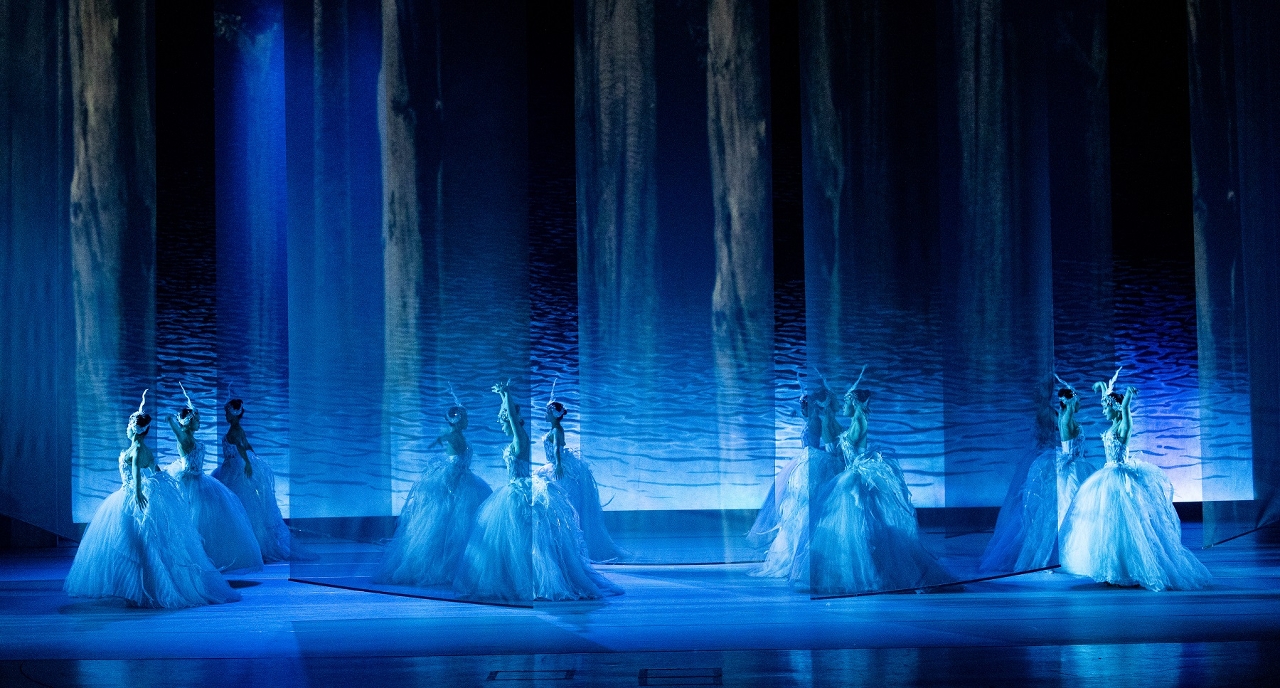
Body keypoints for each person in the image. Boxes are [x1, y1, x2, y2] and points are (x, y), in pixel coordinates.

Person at [64, 391, 241, 608]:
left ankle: (142, 589)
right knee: (130, 543)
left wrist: (139, 492)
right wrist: (160, 481)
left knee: (135, 543)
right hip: (127, 496)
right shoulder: (138, 448)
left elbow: (138, 474)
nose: (127, 429)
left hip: (131, 496)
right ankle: (131, 588)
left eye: (130, 425)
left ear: (135, 429)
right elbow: (154, 469)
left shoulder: (139, 449)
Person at [454, 381, 621, 602]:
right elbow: (508, 416)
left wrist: (507, 394)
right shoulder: (518, 437)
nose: (502, 426)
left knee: (522, 537)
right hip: (514, 488)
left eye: (504, 422)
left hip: (519, 489)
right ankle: (513, 577)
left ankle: (528, 580)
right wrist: (502, 397)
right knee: (513, 539)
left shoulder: (520, 437)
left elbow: (511, 417)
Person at [1059, 369, 1212, 591]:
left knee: (1124, 523)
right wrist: (1102, 388)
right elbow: (1109, 402)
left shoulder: (1124, 425)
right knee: (1109, 524)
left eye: (1106, 408)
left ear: (1116, 408)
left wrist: (1128, 398)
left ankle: (1128, 569)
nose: (1103, 411)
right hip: (1107, 476)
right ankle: (1113, 567)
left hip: (1120, 477)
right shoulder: (1113, 424)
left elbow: (1124, 411)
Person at [802, 370, 951, 595]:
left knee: (859, 520)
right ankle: (861, 566)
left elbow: (846, 444)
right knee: (855, 522)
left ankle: (870, 570)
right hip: (852, 472)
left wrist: (831, 425)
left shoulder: (859, 421)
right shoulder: (856, 420)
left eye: (847, 403)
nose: (844, 406)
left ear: (854, 404)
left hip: (856, 474)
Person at [979, 374, 1091, 572]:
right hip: (1055, 457)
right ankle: (1058, 552)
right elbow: (1058, 432)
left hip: (1064, 458)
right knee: (1059, 505)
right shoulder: (1052, 413)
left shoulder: (1056, 413)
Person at [376, 400, 493, 587]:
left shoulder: (457, 436)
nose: (467, 421)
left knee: (462, 527)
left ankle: (460, 567)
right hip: (458, 484)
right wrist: (453, 491)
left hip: (465, 480)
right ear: (457, 420)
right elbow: (453, 466)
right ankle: (447, 568)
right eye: (465, 418)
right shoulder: (454, 437)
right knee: (452, 528)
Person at [748, 380, 842, 579]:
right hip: (806, 461)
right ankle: (795, 555)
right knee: (797, 507)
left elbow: (821, 444)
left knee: (806, 506)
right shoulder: (813, 420)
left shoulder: (816, 422)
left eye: (804, 406)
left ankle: (804, 556)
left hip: (812, 462)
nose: (802, 410)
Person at [165, 382, 262, 572]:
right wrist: (172, 421)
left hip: (201, 480)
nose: (200, 422)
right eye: (197, 419)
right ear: (189, 422)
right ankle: (193, 558)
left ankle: (207, 557)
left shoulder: (192, 438)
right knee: (193, 517)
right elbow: (177, 431)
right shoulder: (184, 439)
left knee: (210, 519)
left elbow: (242, 446)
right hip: (190, 482)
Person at [534, 386, 623, 563]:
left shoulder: (556, 430)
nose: (545, 415)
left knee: (567, 502)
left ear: (554, 415)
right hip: (555, 464)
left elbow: (557, 449)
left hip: (558, 465)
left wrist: (558, 465)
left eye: (547, 412)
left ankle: (573, 544)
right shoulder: (555, 429)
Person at [212, 389, 293, 562]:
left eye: (227, 413)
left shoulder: (236, 430)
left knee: (238, 504)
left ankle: (248, 546)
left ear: (234, 414)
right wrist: (251, 457)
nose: (226, 415)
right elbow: (246, 445)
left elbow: (241, 447)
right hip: (230, 467)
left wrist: (249, 461)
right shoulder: (236, 429)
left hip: (234, 469)